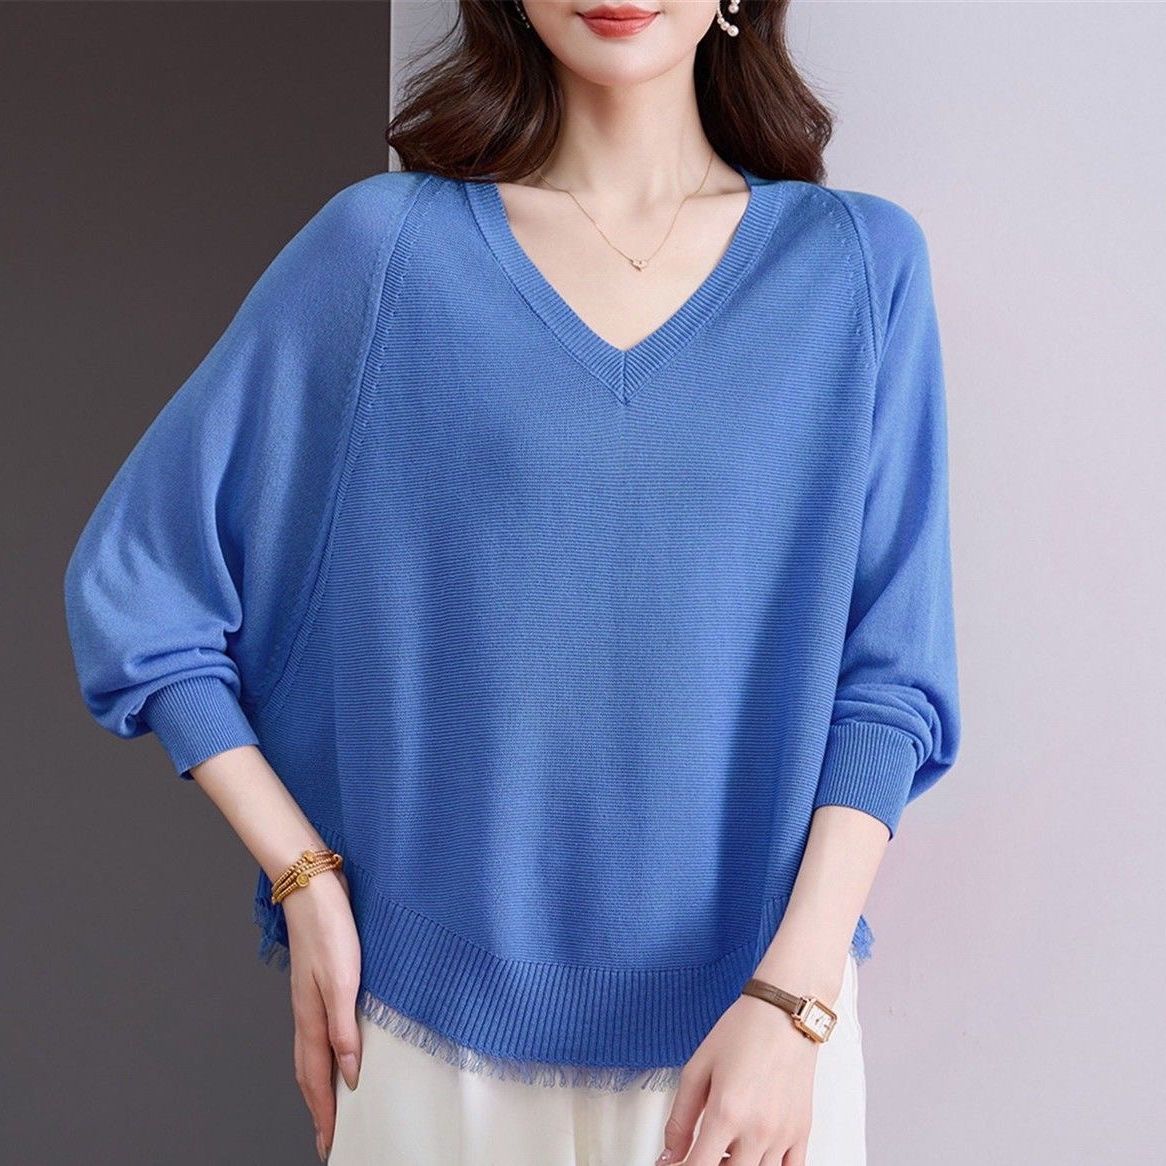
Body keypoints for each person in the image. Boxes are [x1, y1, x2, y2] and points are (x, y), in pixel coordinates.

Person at [63, 1, 962, 1163]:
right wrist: (302, 875)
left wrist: (792, 998)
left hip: (756, 1039)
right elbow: (139, 584)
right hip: (429, 1046)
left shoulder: (854, 266)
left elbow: (890, 683)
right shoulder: (385, 252)